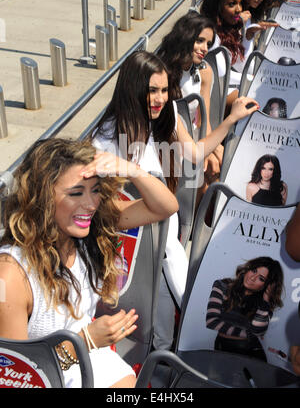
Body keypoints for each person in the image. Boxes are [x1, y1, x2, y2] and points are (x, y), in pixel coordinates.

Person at [90, 50, 259, 349]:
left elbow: (195, 153)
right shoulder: (104, 141)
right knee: (147, 338)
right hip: (129, 258)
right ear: (132, 88)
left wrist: (231, 119)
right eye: (151, 90)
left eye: (164, 90)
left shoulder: (165, 119)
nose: (159, 98)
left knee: (165, 334)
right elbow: (105, 211)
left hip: (166, 245)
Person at [0, 137, 179, 388]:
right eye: (76, 193)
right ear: (40, 198)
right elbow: (17, 376)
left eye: (95, 190)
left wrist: (132, 170)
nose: (91, 204)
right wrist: (85, 341)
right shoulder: (9, 276)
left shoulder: (86, 228)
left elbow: (166, 207)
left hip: (90, 360)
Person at [157, 11, 222, 198]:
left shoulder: (205, 72)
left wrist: (212, 149)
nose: (205, 49)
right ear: (185, 38)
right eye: (200, 41)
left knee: (218, 170)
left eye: (208, 44)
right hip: (168, 142)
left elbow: (204, 119)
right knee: (203, 184)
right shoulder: (162, 71)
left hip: (193, 139)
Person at [206, 256, 284, 361]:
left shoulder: (264, 302)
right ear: (248, 268)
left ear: (266, 285)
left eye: (261, 278)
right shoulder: (222, 285)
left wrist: (265, 300)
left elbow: (257, 331)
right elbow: (211, 321)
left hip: (252, 352)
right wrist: (248, 333)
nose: (252, 278)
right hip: (222, 346)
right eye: (254, 270)